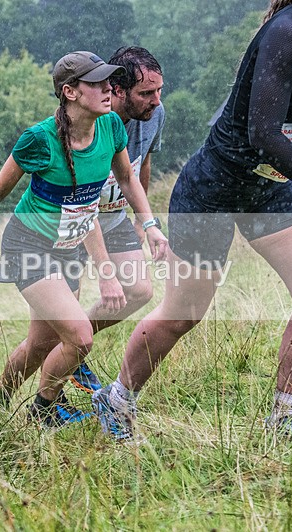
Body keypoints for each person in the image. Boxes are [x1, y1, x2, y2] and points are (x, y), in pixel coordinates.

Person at [92, 0, 292, 442]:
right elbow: (262, 133)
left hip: (270, 187)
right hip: (214, 189)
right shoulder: (287, 34)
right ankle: (117, 398)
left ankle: (284, 419)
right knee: (183, 314)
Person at [0, 51, 167, 429]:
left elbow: (119, 185)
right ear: (70, 92)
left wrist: (150, 226)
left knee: (41, 346)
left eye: (108, 81)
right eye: (96, 83)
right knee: (80, 338)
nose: (107, 88)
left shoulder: (111, 126)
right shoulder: (39, 140)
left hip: (69, 245)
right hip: (28, 246)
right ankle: (43, 410)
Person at [60, 46, 167, 395]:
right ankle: (47, 394)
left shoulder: (156, 115)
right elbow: (79, 197)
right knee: (56, 325)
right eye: (146, 93)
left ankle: (77, 344)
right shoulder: (90, 120)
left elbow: (141, 165)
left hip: (113, 217)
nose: (156, 101)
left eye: (158, 91)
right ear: (118, 89)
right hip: (71, 223)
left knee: (139, 290)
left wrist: (143, 221)